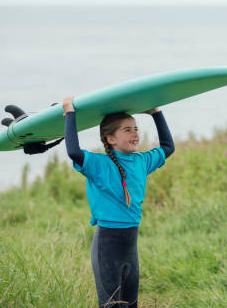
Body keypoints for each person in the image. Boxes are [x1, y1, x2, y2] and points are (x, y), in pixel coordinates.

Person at [62, 97, 175, 308]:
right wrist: (70, 114)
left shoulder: (142, 161)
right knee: (111, 305)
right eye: (127, 130)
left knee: (131, 304)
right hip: (107, 245)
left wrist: (156, 112)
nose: (135, 134)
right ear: (111, 139)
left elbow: (169, 147)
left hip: (129, 247)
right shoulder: (99, 165)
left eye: (135, 128)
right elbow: (73, 152)